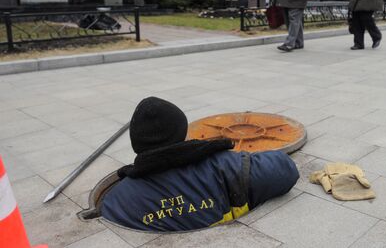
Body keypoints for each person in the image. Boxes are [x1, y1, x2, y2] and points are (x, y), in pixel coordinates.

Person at [101, 97, 299, 232]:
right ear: (183, 133)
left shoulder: (116, 202)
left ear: (137, 144)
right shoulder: (227, 166)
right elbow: (286, 170)